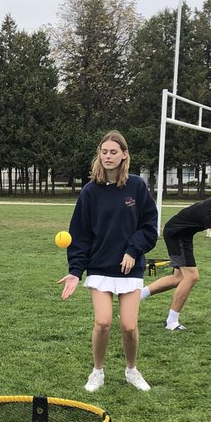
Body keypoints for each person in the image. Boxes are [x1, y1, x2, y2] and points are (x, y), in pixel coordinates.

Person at [58, 130, 158, 392]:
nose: (108, 156)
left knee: (129, 326)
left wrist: (133, 250)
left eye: (114, 152)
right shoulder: (90, 192)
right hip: (100, 268)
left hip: (130, 268)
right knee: (103, 322)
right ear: (99, 155)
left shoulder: (137, 187)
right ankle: (97, 372)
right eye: (104, 152)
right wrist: (75, 271)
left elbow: (149, 227)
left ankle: (131, 370)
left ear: (124, 155)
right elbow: (80, 235)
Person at [139, 170, 211, 329]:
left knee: (178, 278)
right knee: (192, 277)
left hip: (183, 235)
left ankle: (137, 295)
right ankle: (171, 321)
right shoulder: (210, 207)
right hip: (177, 235)